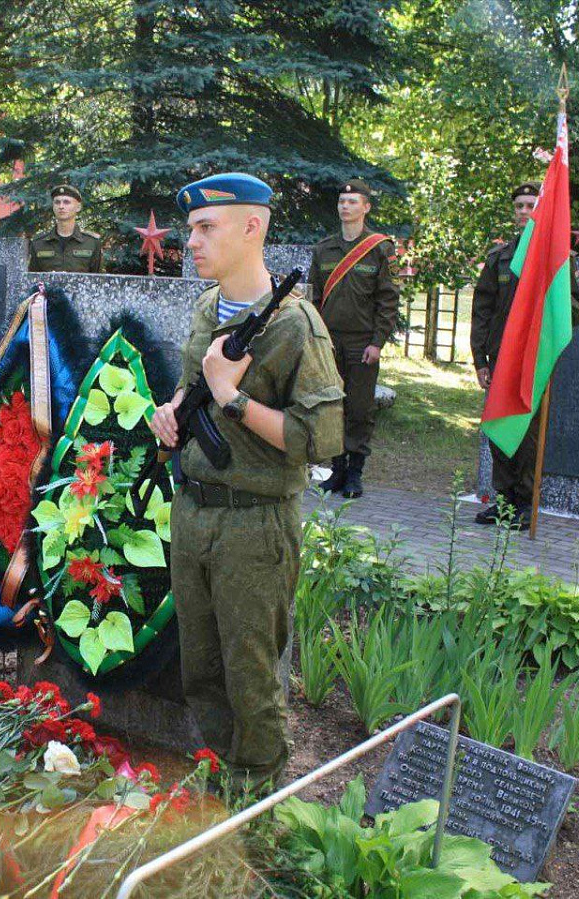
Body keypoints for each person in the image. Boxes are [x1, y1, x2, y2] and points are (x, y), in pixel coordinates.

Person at [148, 173, 344, 789]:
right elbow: (190, 385)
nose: (192, 242)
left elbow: (321, 439)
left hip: (254, 525)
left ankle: (258, 797)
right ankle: (220, 781)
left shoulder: (295, 325)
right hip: (194, 512)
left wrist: (233, 399)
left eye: (207, 228)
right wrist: (170, 412)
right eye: (191, 229)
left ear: (252, 228)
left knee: (251, 677)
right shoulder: (208, 307)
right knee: (201, 670)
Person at [471, 182, 579, 530]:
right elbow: (482, 310)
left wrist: (553, 301)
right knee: (499, 427)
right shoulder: (500, 258)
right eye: (519, 206)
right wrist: (480, 360)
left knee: (529, 434)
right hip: (501, 357)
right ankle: (504, 500)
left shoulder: (557, 258)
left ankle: (524, 502)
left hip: (535, 359)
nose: (524, 212)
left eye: (529, 206)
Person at [308, 179, 400, 499]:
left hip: (363, 342)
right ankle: (336, 469)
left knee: (360, 409)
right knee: (333, 406)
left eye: (352, 202)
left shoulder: (380, 249)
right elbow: (314, 298)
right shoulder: (324, 249)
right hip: (330, 342)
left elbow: (388, 300)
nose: (345, 206)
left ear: (366, 207)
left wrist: (377, 342)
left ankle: (355, 473)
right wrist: (316, 339)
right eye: (342, 201)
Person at [28, 184, 104, 273]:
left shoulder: (92, 243)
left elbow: (98, 278)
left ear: (78, 207)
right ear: (53, 207)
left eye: (66, 202)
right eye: (57, 202)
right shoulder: (38, 243)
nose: (61, 206)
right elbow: (32, 278)